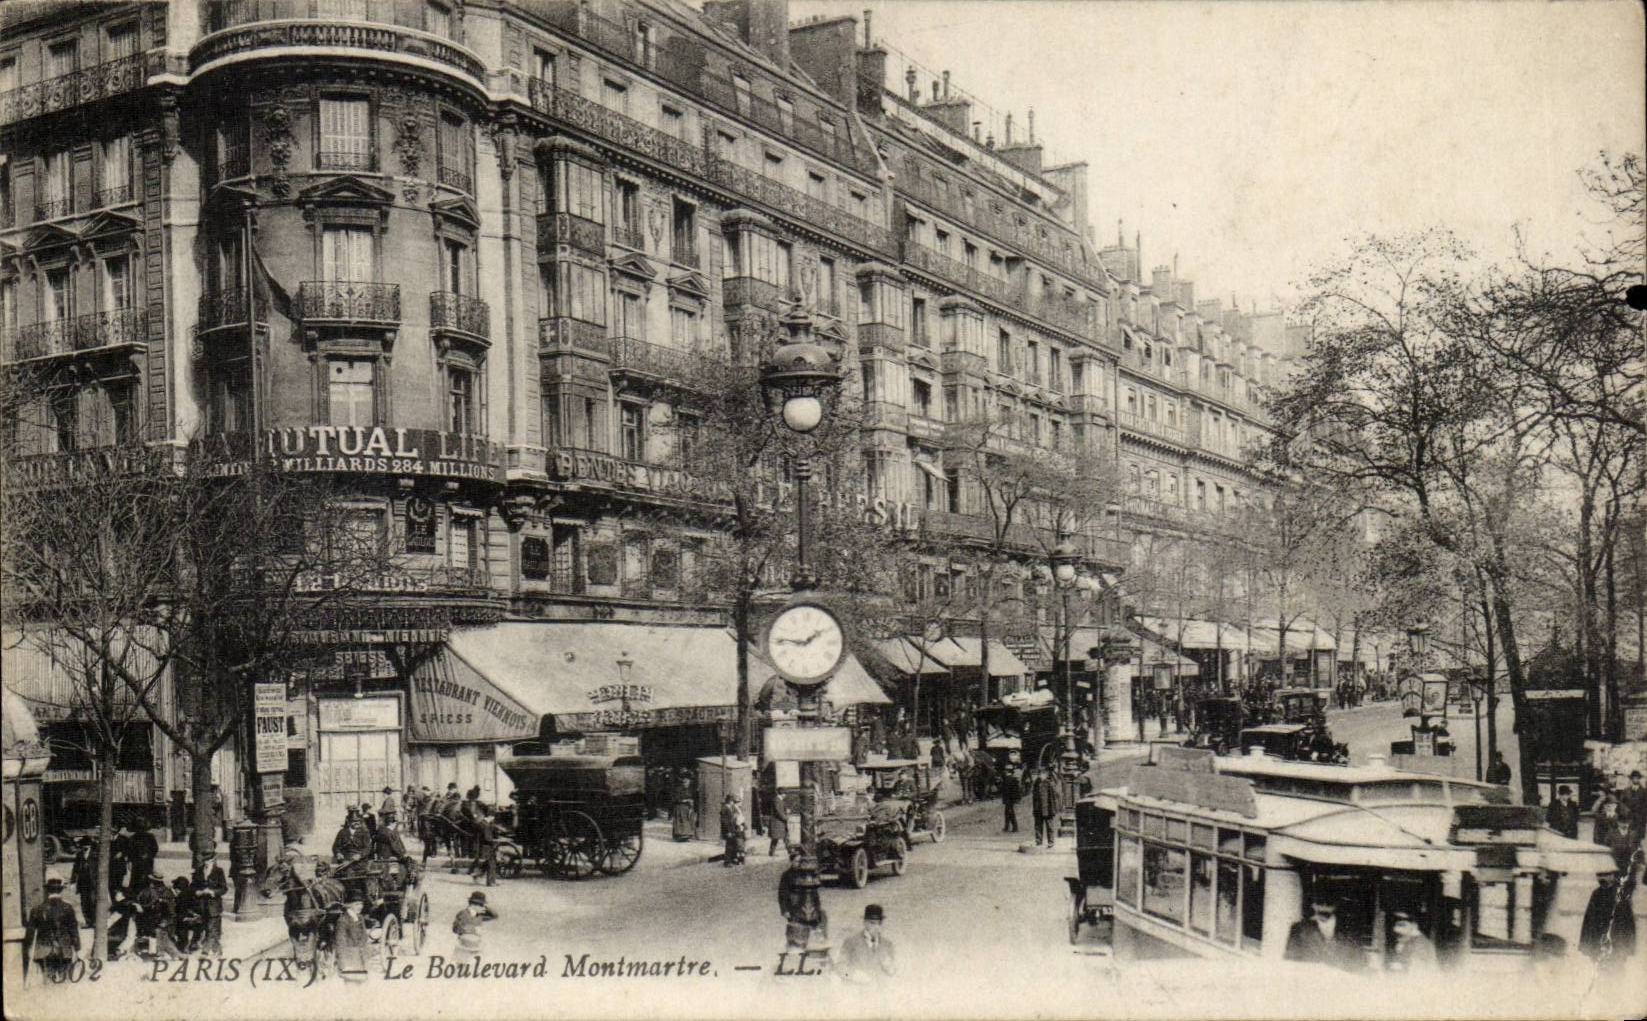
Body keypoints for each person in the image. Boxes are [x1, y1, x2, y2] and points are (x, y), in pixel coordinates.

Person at [24, 877, 81, 984]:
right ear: (61, 890)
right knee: (63, 980)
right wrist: (77, 948)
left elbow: (30, 933)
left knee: (48, 979)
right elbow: (73, 930)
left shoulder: (37, 909)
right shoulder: (68, 908)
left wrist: (28, 949)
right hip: (64, 949)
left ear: (47, 890)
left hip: (44, 950)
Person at [1284, 897, 1362, 971]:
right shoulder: (1299, 929)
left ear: (1335, 905)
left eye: (1328, 903)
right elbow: (1290, 962)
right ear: (1313, 905)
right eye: (1319, 902)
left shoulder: (1348, 929)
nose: (1324, 906)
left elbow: (1359, 962)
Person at [1580, 870, 1636, 970]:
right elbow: (1589, 920)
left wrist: (1627, 946)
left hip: (1616, 941)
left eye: (1606, 875)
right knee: (1599, 970)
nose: (1602, 879)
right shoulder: (1596, 894)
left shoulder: (1620, 894)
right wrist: (1587, 944)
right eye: (1599, 875)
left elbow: (1628, 922)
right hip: (1598, 943)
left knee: (1616, 970)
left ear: (1613, 876)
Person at [836, 904, 897, 983]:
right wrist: (854, 975)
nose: (876, 927)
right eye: (872, 923)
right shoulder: (851, 942)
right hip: (856, 989)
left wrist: (890, 969)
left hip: (881, 991)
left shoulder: (887, 945)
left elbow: (892, 972)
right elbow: (840, 967)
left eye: (879, 923)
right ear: (865, 922)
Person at [192, 852, 228, 956]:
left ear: (213, 860)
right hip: (202, 905)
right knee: (209, 927)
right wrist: (197, 892)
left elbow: (224, 888)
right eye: (204, 861)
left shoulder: (218, 871)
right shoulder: (199, 871)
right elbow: (193, 886)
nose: (206, 863)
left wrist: (213, 892)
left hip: (214, 906)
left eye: (208, 861)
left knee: (210, 927)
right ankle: (218, 950)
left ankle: (205, 952)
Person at [452, 891, 497, 966]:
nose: (482, 908)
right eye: (481, 905)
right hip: (464, 946)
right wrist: (472, 929)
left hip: (476, 946)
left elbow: (494, 915)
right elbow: (455, 929)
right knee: (461, 966)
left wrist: (485, 907)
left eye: (482, 905)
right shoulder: (463, 913)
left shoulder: (479, 915)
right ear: (473, 905)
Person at [1385, 910, 1437, 974]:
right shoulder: (1405, 940)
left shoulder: (1421, 943)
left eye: (1402, 925)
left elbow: (1418, 970)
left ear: (1414, 925)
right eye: (1394, 925)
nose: (1395, 929)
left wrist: (1400, 967)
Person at [333, 898, 372, 983]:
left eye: (361, 904)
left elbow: (364, 937)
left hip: (361, 960)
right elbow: (340, 944)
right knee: (351, 988)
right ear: (349, 905)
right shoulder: (342, 921)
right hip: (349, 962)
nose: (360, 907)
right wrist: (344, 965)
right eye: (357, 904)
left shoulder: (360, 918)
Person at [1593, 797, 1636, 874]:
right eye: (1607, 806)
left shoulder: (1620, 818)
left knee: (1617, 867)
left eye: (1612, 805)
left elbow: (1625, 834)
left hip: (1616, 847)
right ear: (1604, 807)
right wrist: (1598, 846)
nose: (1610, 807)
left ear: (1615, 806)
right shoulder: (1599, 817)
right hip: (1603, 846)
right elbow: (1596, 833)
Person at [1031, 768, 1062, 848]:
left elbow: (1054, 797)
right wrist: (1034, 808)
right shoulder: (1036, 783)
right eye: (1039, 774)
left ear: (1046, 775)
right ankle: (1039, 841)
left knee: (1050, 826)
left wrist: (1054, 809)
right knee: (1038, 826)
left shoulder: (1049, 783)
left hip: (1048, 809)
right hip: (1038, 808)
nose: (1040, 776)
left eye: (1042, 774)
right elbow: (1034, 797)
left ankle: (1051, 842)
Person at [126, 819, 159, 895]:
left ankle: (145, 896)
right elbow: (130, 850)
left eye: (141, 828)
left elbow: (155, 848)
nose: (140, 830)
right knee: (135, 879)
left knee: (146, 879)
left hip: (147, 862)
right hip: (136, 862)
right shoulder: (132, 838)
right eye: (138, 828)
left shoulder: (150, 837)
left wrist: (149, 855)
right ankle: (136, 895)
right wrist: (129, 861)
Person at [468, 812, 500, 886]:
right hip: (487, 847)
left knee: (487, 863)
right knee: (491, 864)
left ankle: (477, 875)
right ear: (491, 817)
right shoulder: (485, 825)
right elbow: (488, 838)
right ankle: (490, 882)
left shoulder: (481, 824)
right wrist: (495, 841)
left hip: (482, 847)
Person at [1619, 770, 1647, 840]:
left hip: (1639, 818)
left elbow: (1645, 805)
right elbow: (1621, 802)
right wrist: (1625, 811)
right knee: (1627, 836)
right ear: (1631, 779)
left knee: (1638, 837)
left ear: (1639, 779)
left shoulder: (1644, 791)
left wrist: (1643, 816)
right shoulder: (1626, 790)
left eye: (1637, 778)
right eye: (1634, 778)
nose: (1635, 780)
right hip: (1628, 817)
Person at [720, 794, 745, 866]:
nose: (733, 803)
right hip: (728, 830)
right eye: (732, 801)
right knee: (729, 846)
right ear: (729, 801)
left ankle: (732, 860)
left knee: (733, 845)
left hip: (732, 829)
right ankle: (727, 862)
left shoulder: (730, 808)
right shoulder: (725, 808)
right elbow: (724, 821)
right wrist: (728, 831)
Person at [671, 774, 697, 842]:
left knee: (687, 821)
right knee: (680, 821)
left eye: (688, 783)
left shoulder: (689, 789)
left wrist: (691, 801)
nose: (687, 784)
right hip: (680, 806)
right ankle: (679, 836)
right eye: (685, 783)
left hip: (687, 807)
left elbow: (692, 796)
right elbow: (675, 798)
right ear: (683, 783)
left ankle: (686, 836)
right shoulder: (678, 789)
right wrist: (685, 800)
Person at [766, 788, 791, 857]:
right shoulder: (777, 800)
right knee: (776, 838)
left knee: (785, 836)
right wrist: (786, 817)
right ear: (782, 794)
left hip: (780, 822)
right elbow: (779, 812)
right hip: (777, 822)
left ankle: (790, 851)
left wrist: (787, 811)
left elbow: (782, 809)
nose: (785, 795)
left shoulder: (780, 800)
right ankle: (772, 852)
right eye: (785, 794)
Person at [1000, 765, 1022, 834]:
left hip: (1008, 800)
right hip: (1011, 799)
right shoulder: (1014, 779)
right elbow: (1017, 791)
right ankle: (1008, 827)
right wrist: (1017, 799)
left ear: (1007, 771)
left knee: (1010, 813)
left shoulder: (1006, 779)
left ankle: (1014, 827)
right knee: (1008, 813)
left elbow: (1004, 790)